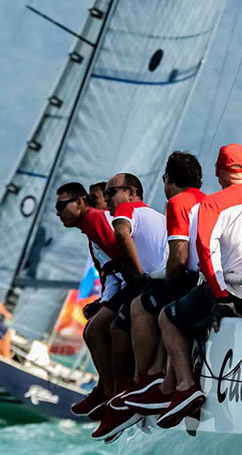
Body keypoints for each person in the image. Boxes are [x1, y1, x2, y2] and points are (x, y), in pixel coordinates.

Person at [155, 144, 242, 429]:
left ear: (218, 173)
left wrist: (221, 296)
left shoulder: (211, 204)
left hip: (230, 291)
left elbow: (206, 251)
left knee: (168, 317)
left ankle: (184, 386)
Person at [121, 152, 206, 416]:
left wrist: (167, 279)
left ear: (167, 178)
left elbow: (179, 255)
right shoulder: (207, 201)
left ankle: (145, 378)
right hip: (206, 278)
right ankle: (157, 375)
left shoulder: (176, 203)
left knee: (140, 305)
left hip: (189, 278)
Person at [92, 172, 168, 440]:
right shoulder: (158, 215)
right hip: (157, 283)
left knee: (111, 330)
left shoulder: (126, 211)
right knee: (104, 327)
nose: (106, 198)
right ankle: (112, 395)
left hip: (153, 285)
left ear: (132, 193)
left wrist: (137, 277)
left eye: (111, 192)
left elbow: (123, 236)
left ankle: (119, 397)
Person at [55, 181, 122, 421]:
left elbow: (122, 260)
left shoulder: (96, 219)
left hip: (136, 285)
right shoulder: (91, 229)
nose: (57, 212)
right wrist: (104, 302)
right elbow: (109, 273)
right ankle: (107, 389)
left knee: (95, 331)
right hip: (121, 287)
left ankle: (111, 393)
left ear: (81, 203)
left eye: (62, 206)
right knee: (95, 325)